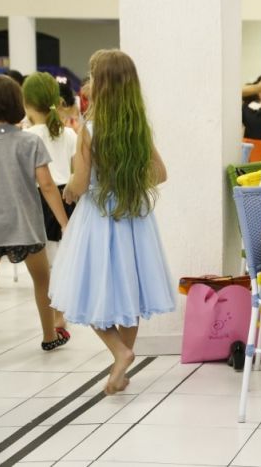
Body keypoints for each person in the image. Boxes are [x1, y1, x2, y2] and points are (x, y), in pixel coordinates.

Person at [49, 49, 176, 395]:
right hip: (134, 220)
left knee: (83, 288)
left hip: (98, 219)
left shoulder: (90, 127)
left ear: (101, 84)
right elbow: (160, 173)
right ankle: (124, 358)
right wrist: (128, 184)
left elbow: (79, 181)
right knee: (130, 292)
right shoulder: (138, 127)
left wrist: (71, 192)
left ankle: (120, 352)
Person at [0, 75, 70, 351]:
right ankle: (50, 336)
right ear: (17, 103)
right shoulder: (29, 143)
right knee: (42, 280)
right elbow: (48, 186)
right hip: (25, 225)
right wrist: (64, 222)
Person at [22, 72, 77, 266]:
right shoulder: (69, 134)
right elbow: (76, 171)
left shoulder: (27, 136)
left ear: (26, 102)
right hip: (69, 201)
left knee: (48, 269)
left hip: (40, 204)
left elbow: (43, 182)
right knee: (68, 263)